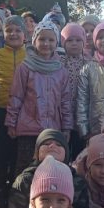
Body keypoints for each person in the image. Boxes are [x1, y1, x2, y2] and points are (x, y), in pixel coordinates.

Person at [6, 20, 73, 173]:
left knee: (49, 169)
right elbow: (16, 97)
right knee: (25, 168)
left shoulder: (61, 71)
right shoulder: (25, 67)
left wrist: (67, 127)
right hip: (28, 130)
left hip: (52, 130)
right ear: (34, 40)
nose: (46, 44)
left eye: (51, 40)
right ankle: (21, 189)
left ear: (56, 42)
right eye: (42, 39)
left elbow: (65, 101)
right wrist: (11, 123)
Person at [8, 129, 89, 208]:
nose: (52, 146)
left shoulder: (77, 180)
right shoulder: (25, 180)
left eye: (59, 145)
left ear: (66, 153)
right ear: (37, 152)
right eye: (46, 143)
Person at [0, 15, 27, 201]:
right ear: (3, 33)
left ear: (24, 35)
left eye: (18, 30)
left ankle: (14, 190)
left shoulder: (30, 55)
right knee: (0, 151)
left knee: (16, 153)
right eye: (9, 30)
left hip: (22, 111)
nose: (13, 34)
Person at [60, 23, 89, 158]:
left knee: (79, 150)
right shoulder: (59, 62)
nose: (74, 44)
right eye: (70, 40)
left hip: (81, 114)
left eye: (78, 40)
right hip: (63, 114)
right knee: (64, 149)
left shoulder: (89, 63)